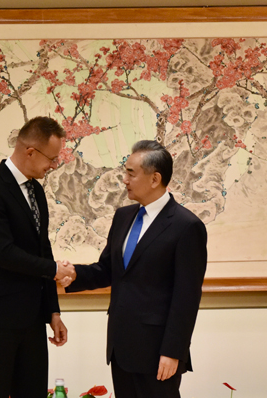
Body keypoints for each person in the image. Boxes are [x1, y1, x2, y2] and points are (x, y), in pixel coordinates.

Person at [63, 140, 208, 398]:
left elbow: (186, 297)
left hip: (157, 353)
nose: (124, 179)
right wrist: (74, 274)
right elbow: (108, 270)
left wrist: (173, 351)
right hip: (121, 347)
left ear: (155, 179)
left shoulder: (186, 226)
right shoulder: (123, 217)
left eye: (131, 173)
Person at [0, 116, 75, 398]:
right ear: (29, 152)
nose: (52, 165)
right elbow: (4, 253)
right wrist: (54, 269)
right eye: (51, 158)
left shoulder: (36, 190)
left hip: (32, 319)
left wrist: (54, 311)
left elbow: (42, 248)